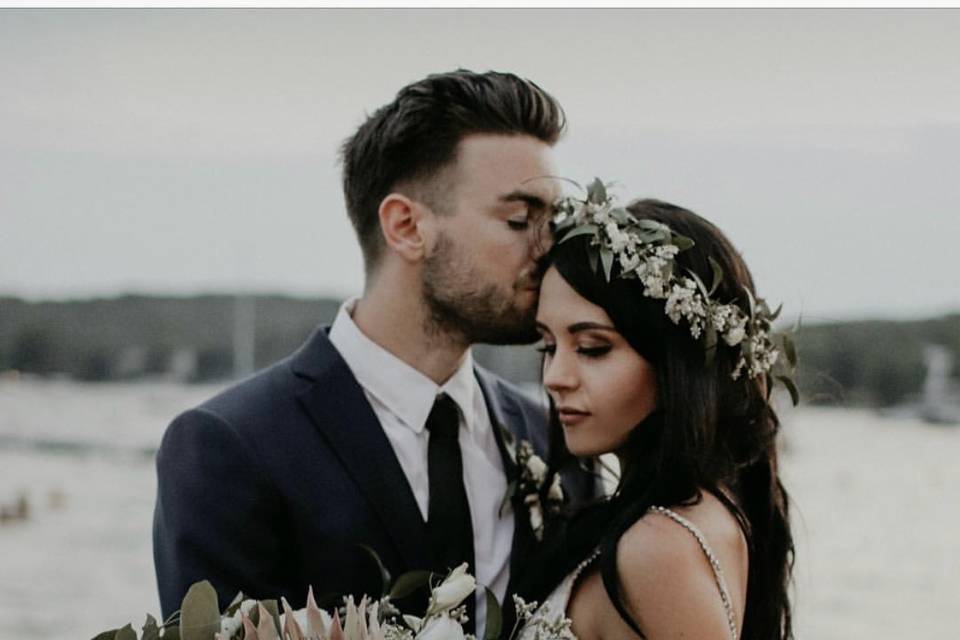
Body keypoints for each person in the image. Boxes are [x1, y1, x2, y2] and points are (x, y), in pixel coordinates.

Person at [152, 69, 593, 637]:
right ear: (406, 226)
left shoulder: (558, 438)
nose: (549, 248)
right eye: (518, 219)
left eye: (553, 221)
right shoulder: (229, 447)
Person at [512, 189, 795, 640]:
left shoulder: (658, 547)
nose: (555, 376)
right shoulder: (698, 513)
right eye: (549, 346)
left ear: (675, 366)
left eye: (592, 348)